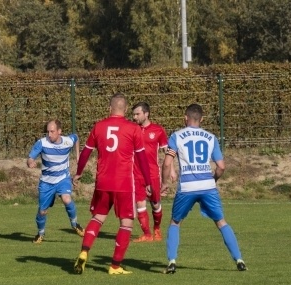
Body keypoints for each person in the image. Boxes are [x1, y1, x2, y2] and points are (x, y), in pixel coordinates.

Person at [161, 103, 247, 274]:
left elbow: (167, 163)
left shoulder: (176, 136)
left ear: (185, 118)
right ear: (202, 119)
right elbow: (221, 166)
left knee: (175, 222)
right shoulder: (211, 137)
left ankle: (172, 261)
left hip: (187, 186)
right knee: (221, 222)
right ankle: (239, 260)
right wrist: (213, 180)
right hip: (207, 186)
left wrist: (164, 184)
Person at [72, 93, 152, 275]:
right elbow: (141, 158)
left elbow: (85, 153)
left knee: (97, 218)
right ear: (125, 110)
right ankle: (115, 266)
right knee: (126, 223)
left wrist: (78, 173)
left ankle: (84, 251)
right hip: (124, 183)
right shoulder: (133, 129)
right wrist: (148, 182)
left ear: (109, 109)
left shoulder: (99, 126)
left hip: (102, 181)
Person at [26, 119, 85, 243]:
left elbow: (76, 138)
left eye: (52, 131)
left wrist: (78, 157)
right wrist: (31, 162)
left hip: (63, 178)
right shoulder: (42, 143)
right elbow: (30, 158)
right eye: (48, 132)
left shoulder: (67, 141)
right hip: (46, 182)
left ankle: (75, 225)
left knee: (66, 199)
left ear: (59, 131)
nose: (49, 134)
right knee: (42, 211)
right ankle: (40, 234)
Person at [131, 102, 168, 242]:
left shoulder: (158, 130)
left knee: (155, 204)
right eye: (133, 114)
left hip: (152, 174)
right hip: (136, 173)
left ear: (146, 114)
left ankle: (157, 228)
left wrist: (170, 170)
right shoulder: (132, 129)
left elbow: (167, 152)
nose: (135, 117)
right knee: (140, 203)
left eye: (137, 114)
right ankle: (146, 234)